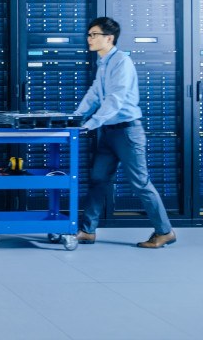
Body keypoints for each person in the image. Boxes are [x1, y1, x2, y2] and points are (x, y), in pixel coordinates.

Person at [73, 17, 176, 248]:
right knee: (98, 179)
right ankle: (87, 230)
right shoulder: (103, 63)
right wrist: (76, 117)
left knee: (140, 183)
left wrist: (91, 124)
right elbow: (94, 94)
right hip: (109, 132)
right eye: (89, 34)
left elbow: (115, 99)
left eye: (94, 35)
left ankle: (165, 231)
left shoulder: (121, 62)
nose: (89, 39)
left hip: (127, 132)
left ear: (108, 38)